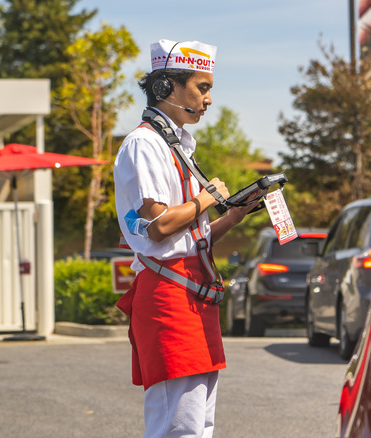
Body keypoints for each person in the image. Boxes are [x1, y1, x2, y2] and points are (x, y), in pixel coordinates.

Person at [113, 39, 259, 438]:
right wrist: (206, 199)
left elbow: (187, 235)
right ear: (166, 89)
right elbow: (159, 226)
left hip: (192, 294)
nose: (209, 99)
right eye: (202, 87)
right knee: (177, 428)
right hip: (169, 294)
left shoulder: (175, 144)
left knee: (197, 426)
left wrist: (231, 217)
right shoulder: (144, 143)